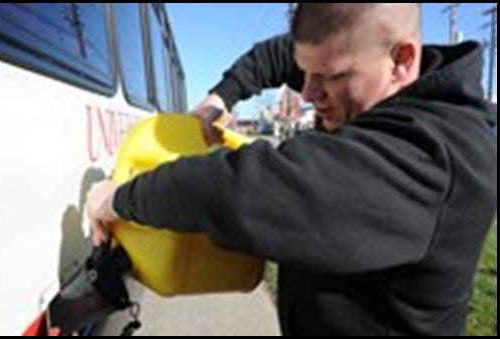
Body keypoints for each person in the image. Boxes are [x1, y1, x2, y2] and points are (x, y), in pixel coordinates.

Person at [87, 4, 497, 335]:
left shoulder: (431, 155)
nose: (307, 93)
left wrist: (117, 200)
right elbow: (285, 53)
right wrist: (222, 97)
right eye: (306, 73)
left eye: (329, 78)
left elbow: (239, 189)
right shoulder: (368, 67)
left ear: (401, 60)